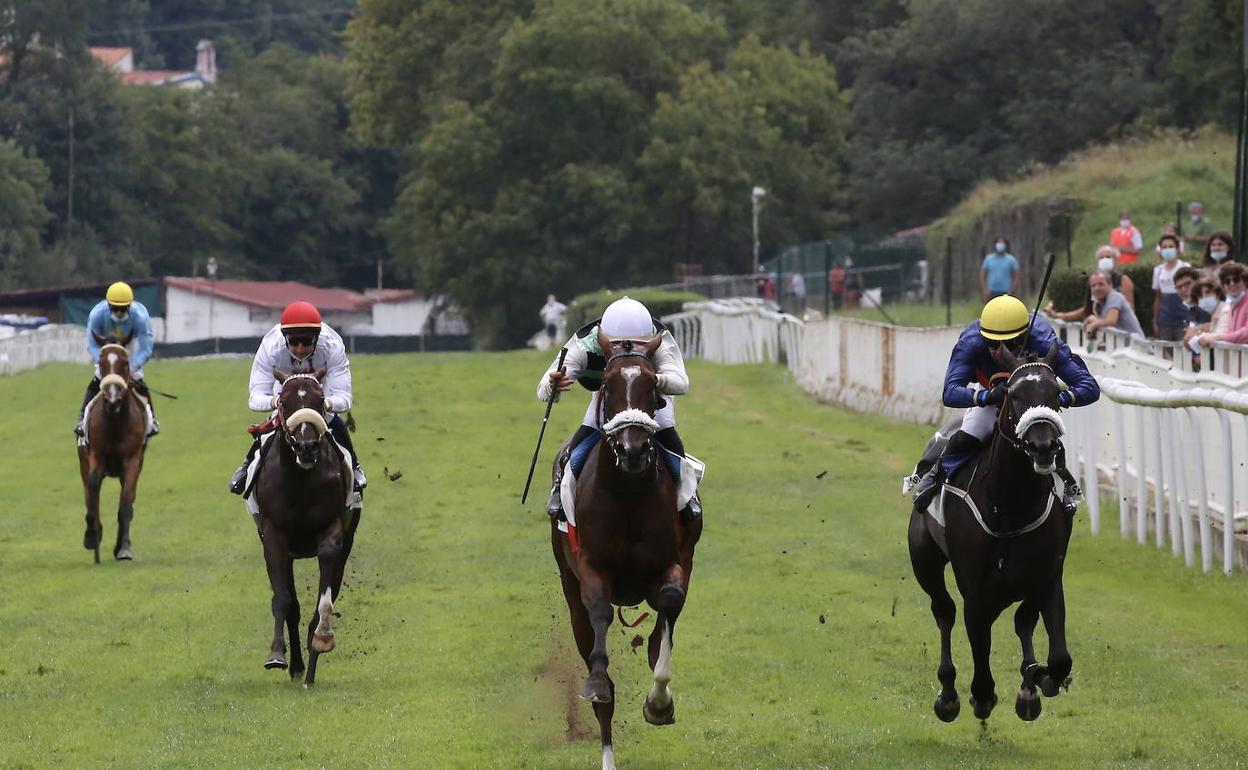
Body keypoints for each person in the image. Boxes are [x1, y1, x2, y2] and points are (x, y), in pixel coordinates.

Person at [909, 295, 1100, 515]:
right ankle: (935, 473)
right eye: (991, 344)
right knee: (974, 430)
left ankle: (1065, 484)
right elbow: (950, 392)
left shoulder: (1043, 339)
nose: (1000, 351)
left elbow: (1089, 386)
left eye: (1009, 344)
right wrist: (986, 397)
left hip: (1032, 401)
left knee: (1045, 437)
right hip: (992, 396)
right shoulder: (971, 342)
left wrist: (1059, 399)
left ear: (1023, 337)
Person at [536, 296, 699, 522]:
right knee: (583, 436)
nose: (627, 349)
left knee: (668, 433)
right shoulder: (584, 345)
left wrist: (652, 379)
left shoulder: (660, 339)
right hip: (611, 393)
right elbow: (543, 389)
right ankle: (559, 486)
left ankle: (688, 496)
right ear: (604, 339)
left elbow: (681, 383)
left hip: (649, 394)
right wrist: (552, 385)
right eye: (618, 345)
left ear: (648, 338)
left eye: (636, 345)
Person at [228, 301, 366, 497]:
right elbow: (255, 397)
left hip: (320, 391)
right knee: (271, 425)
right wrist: (276, 403)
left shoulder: (333, 347)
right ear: (284, 338)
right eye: (293, 341)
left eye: (307, 341)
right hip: (284, 394)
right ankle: (246, 466)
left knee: (333, 421)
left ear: (317, 338)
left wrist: (325, 403)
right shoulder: (271, 347)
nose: (300, 349)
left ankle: (354, 465)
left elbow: (344, 398)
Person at [75, 281, 159, 440]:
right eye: (115, 308)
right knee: (98, 378)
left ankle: (152, 420)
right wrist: (102, 362)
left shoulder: (140, 317)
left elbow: (146, 347)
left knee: (139, 379)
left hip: (130, 344)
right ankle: (81, 419)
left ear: (130, 306)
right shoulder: (97, 315)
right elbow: (91, 344)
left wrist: (132, 367)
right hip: (106, 345)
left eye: (123, 309)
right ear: (108, 306)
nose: (119, 313)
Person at [1044, 245, 1135, 322]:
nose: (1105, 260)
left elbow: (1130, 309)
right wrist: (1059, 316)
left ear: (1115, 260)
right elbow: (1087, 309)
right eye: (1101, 257)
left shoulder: (1123, 280)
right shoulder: (1095, 281)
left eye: (1108, 257)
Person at [1192, 262, 1248, 347]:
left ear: (1245, 282)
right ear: (1223, 286)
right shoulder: (1233, 305)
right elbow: (1231, 335)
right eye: (1227, 281)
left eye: (1236, 280)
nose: (1232, 284)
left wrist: (1219, 336)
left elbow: (1246, 333)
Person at [1083, 270, 1145, 343]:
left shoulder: (1115, 296)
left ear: (1110, 285)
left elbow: (1111, 321)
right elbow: (1106, 323)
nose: (1097, 288)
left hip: (1139, 350)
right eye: (1093, 285)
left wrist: (1093, 324)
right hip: (1124, 348)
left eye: (1101, 284)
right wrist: (1092, 319)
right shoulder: (1101, 302)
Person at [1152, 234, 1190, 342]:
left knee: (1184, 354)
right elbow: (1158, 297)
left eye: (1171, 246)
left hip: (1184, 320)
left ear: (1177, 249)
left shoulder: (1185, 267)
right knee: (1165, 355)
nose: (1167, 249)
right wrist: (1155, 320)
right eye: (1164, 247)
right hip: (1165, 322)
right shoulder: (1158, 270)